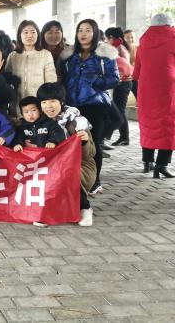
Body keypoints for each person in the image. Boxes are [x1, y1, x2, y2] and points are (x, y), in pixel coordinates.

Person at [62, 19, 119, 194]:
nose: (83, 33)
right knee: (75, 143)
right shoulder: (69, 55)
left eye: (88, 30)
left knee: (93, 143)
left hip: (95, 105)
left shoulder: (104, 54)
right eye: (80, 30)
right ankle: (79, 179)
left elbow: (114, 78)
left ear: (94, 33)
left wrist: (96, 82)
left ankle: (95, 181)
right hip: (73, 106)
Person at [37, 82, 96, 226]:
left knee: (65, 173)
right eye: (44, 102)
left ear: (61, 102)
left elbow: (91, 153)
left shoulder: (77, 122)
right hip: (49, 164)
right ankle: (45, 210)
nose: (48, 106)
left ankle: (85, 208)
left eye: (52, 101)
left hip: (80, 165)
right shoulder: (39, 121)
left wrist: (84, 142)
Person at [133, 13, 175, 178]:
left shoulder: (143, 41)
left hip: (146, 88)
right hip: (168, 88)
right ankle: (161, 165)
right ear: (169, 24)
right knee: (168, 125)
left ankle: (147, 162)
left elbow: (136, 71)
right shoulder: (172, 39)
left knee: (148, 124)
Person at [5, 20, 57, 104]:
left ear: (38, 35)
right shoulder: (13, 56)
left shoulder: (46, 55)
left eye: (33, 32)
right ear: (19, 35)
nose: (29, 35)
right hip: (17, 102)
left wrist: (47, 100)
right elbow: (7, 79)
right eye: (25, 32)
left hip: (38, 101)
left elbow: (51, 81)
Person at [105, 27, 134, 146]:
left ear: (111, 37)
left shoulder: (119, 48)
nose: (105, 41)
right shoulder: (119, 46)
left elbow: (124, 66)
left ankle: (122, 137)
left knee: (119, 111)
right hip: (122, 83)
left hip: (124, 83)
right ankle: (121, 137)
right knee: (119, 110)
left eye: (106, 38)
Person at [124, 29, 138, 98]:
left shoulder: (138, 48)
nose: (130, 39)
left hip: (135, 77)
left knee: (139, 96)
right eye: (127, 37)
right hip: (124, 78)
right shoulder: (121, 48)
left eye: (132, 37)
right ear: (123, 38)